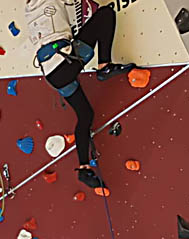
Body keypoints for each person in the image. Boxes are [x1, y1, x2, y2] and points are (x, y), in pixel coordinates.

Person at [24, 0, 135, 191]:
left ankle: (84, 168)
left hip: (53, 74)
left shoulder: (29, 11)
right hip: (63, 64)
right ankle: (104, 66)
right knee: (105, 16)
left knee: (85, 115)